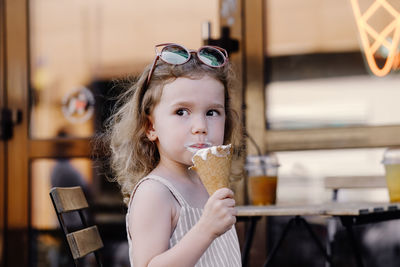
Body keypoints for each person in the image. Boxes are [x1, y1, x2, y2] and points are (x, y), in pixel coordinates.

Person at [106, 43, 242, 267]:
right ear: (151, 127)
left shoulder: (206, 183)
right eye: (181, 112)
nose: (200, 126)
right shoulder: (155, 192)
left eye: (212, 112)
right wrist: (206, 229)